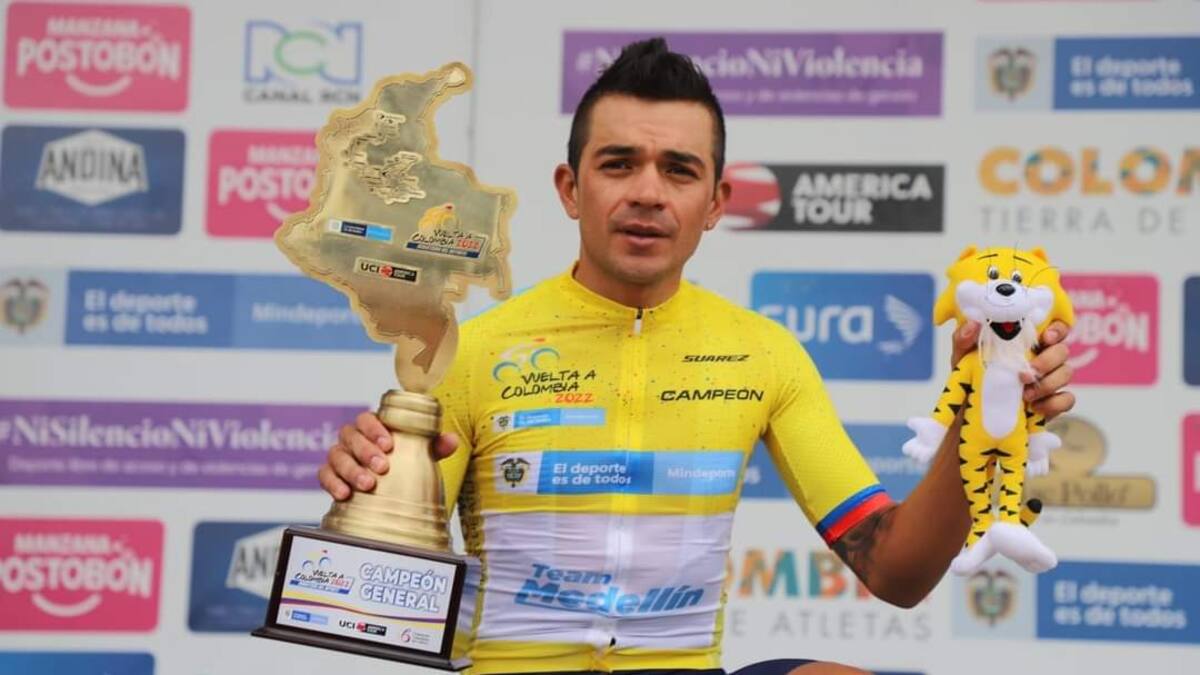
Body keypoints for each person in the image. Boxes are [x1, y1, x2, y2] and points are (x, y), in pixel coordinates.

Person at [317, 38, 1075, 675]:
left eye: (678, 170)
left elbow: (896, 571)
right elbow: (382, 602)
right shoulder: (471, 351)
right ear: (570, 188)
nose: (648, 192)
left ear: (715, 203)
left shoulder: (763, 354)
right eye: (619, 164)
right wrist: (363, 498)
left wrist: (984, 412)